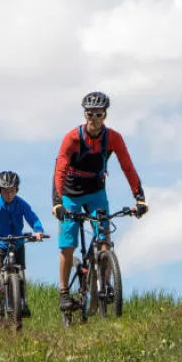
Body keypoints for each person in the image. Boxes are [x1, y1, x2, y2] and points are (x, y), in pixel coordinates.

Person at [52, 91, 148, 311]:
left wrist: (139, 197)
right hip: (70, 194)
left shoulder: (113, 138)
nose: (94, 119)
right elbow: (59, 169)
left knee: (104, 238)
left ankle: (104, 282)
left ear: (105, 115)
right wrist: (58, 202)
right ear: (84, 115)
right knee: (68, 244)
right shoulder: (72, 138)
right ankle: (64, 292)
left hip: (96, 192)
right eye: (90, 114)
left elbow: (127, 166)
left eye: (98, 114)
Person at [0, 170, 45, 317]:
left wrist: (38, 231)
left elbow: (32, 218)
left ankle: (23, 301)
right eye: (5, 192)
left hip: (17, 242)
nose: (9, 195)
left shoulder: (21, 204)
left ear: (16, 190)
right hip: (0, 242)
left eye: (12, 191)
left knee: (21, 271)